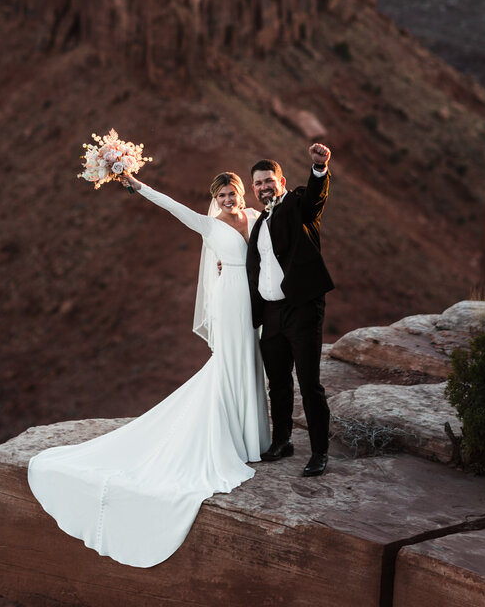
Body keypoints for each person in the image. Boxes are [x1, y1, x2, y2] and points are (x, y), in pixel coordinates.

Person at [27, 171, 270, 567]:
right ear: (215, 198)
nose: (228, 199)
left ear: (241, 193)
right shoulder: (209, 224)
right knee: (229, 362)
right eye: (222, 194)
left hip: (255, 299)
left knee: (250, 359)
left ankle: (251, 438)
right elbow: (171, 206)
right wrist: (136, 184)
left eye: (232, 193)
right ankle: (236, 441)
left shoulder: (258, 217)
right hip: (229, 300)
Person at [246, 141, 333, 477]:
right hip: (271, 314)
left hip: (301, 308)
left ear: (280, 182)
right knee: (278, 382)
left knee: (309, 383)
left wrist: (319, 168)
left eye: (269, 180)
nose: (264, 186)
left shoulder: (298, 203)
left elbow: (316, 197)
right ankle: (283, 440)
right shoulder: (258, 223)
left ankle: (320, 452)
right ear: (253, 189)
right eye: (258, 183)